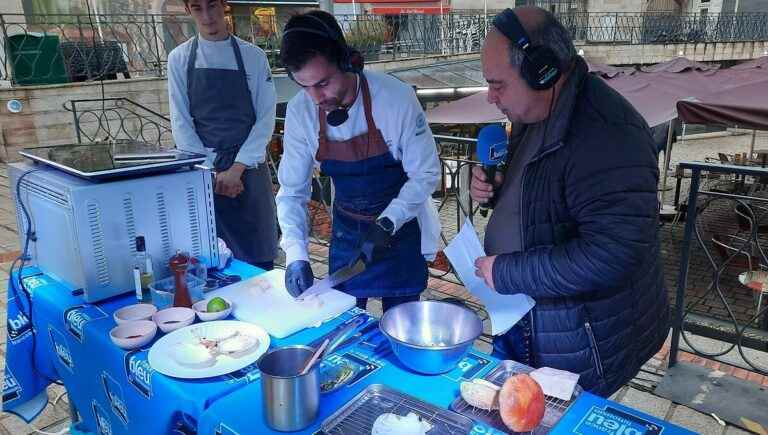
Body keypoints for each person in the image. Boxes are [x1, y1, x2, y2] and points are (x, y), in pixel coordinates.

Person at [470, 7, 669, 396]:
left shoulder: (609, 136)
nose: (490, 97)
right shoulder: (538, 109)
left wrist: (510, 273)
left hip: (581, 342)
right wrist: (497, 188)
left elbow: (612, 253)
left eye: (497, 84)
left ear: (541, 70)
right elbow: (544, 189)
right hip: (526, 314)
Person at [276, 11, 441, 311]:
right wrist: (296, 253)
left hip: (400, 230)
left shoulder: (396, 99)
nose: (316, 97)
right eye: (305, 86)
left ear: (348, 61)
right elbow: (291, 191)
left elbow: (427, 174)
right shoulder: (301, 112)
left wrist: (388, 223)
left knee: (402, 324)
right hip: (347, 235)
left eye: (323, 83)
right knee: (345, 323)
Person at [167, 0, 278, 270]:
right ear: (187, 10)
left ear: (224, 6)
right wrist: (211, 171)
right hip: (205, 176)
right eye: (197, 8)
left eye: (212, 6)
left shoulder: (253, 57)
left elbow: (265, 119)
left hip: (249, 171)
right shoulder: (178, 59)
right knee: (211, 260)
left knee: (259, 258)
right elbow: (181, 122)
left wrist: (236, 169)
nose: (207, 16)